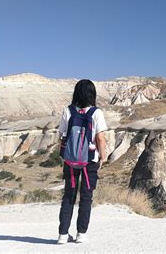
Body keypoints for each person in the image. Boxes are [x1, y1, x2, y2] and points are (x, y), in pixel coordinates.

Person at [57, 79, 107, 244]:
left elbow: (62, 135)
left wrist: (64, 154)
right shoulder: (96, 113)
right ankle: (81, 234)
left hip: (70, 161)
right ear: (92, 94)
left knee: (68, 196)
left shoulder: (68, 111)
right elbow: (100, 137)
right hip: (89, 162)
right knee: (86, 197)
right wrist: (103, 156)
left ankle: (63, 235)